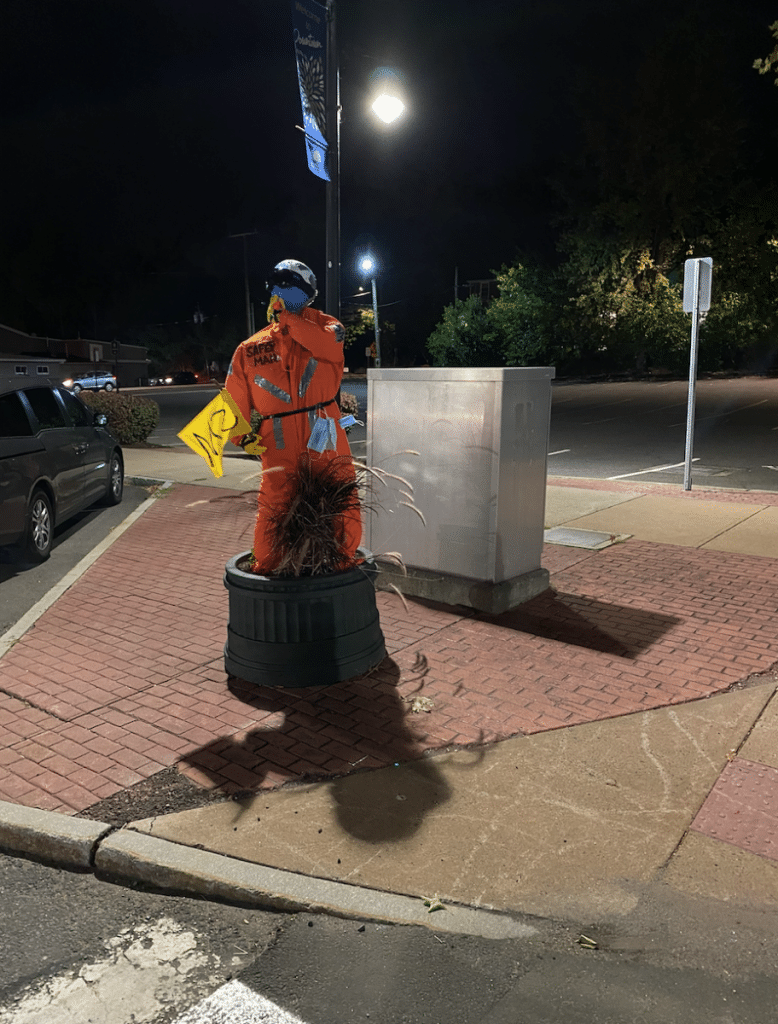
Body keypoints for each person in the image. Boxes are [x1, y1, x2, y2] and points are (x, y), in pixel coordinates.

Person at [224, 259, 362, 575]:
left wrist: (287, 320)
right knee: (274, 504)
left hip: (324, 430)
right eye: (276, 286)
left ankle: (344, 561)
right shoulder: (250, 347)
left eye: (288, 286)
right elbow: (233, 393)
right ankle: (268, 566)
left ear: (308, 292)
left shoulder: (331, 328)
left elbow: (325, 345)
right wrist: (241, 435)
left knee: (340, 496)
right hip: (278, 439)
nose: (279, 292)